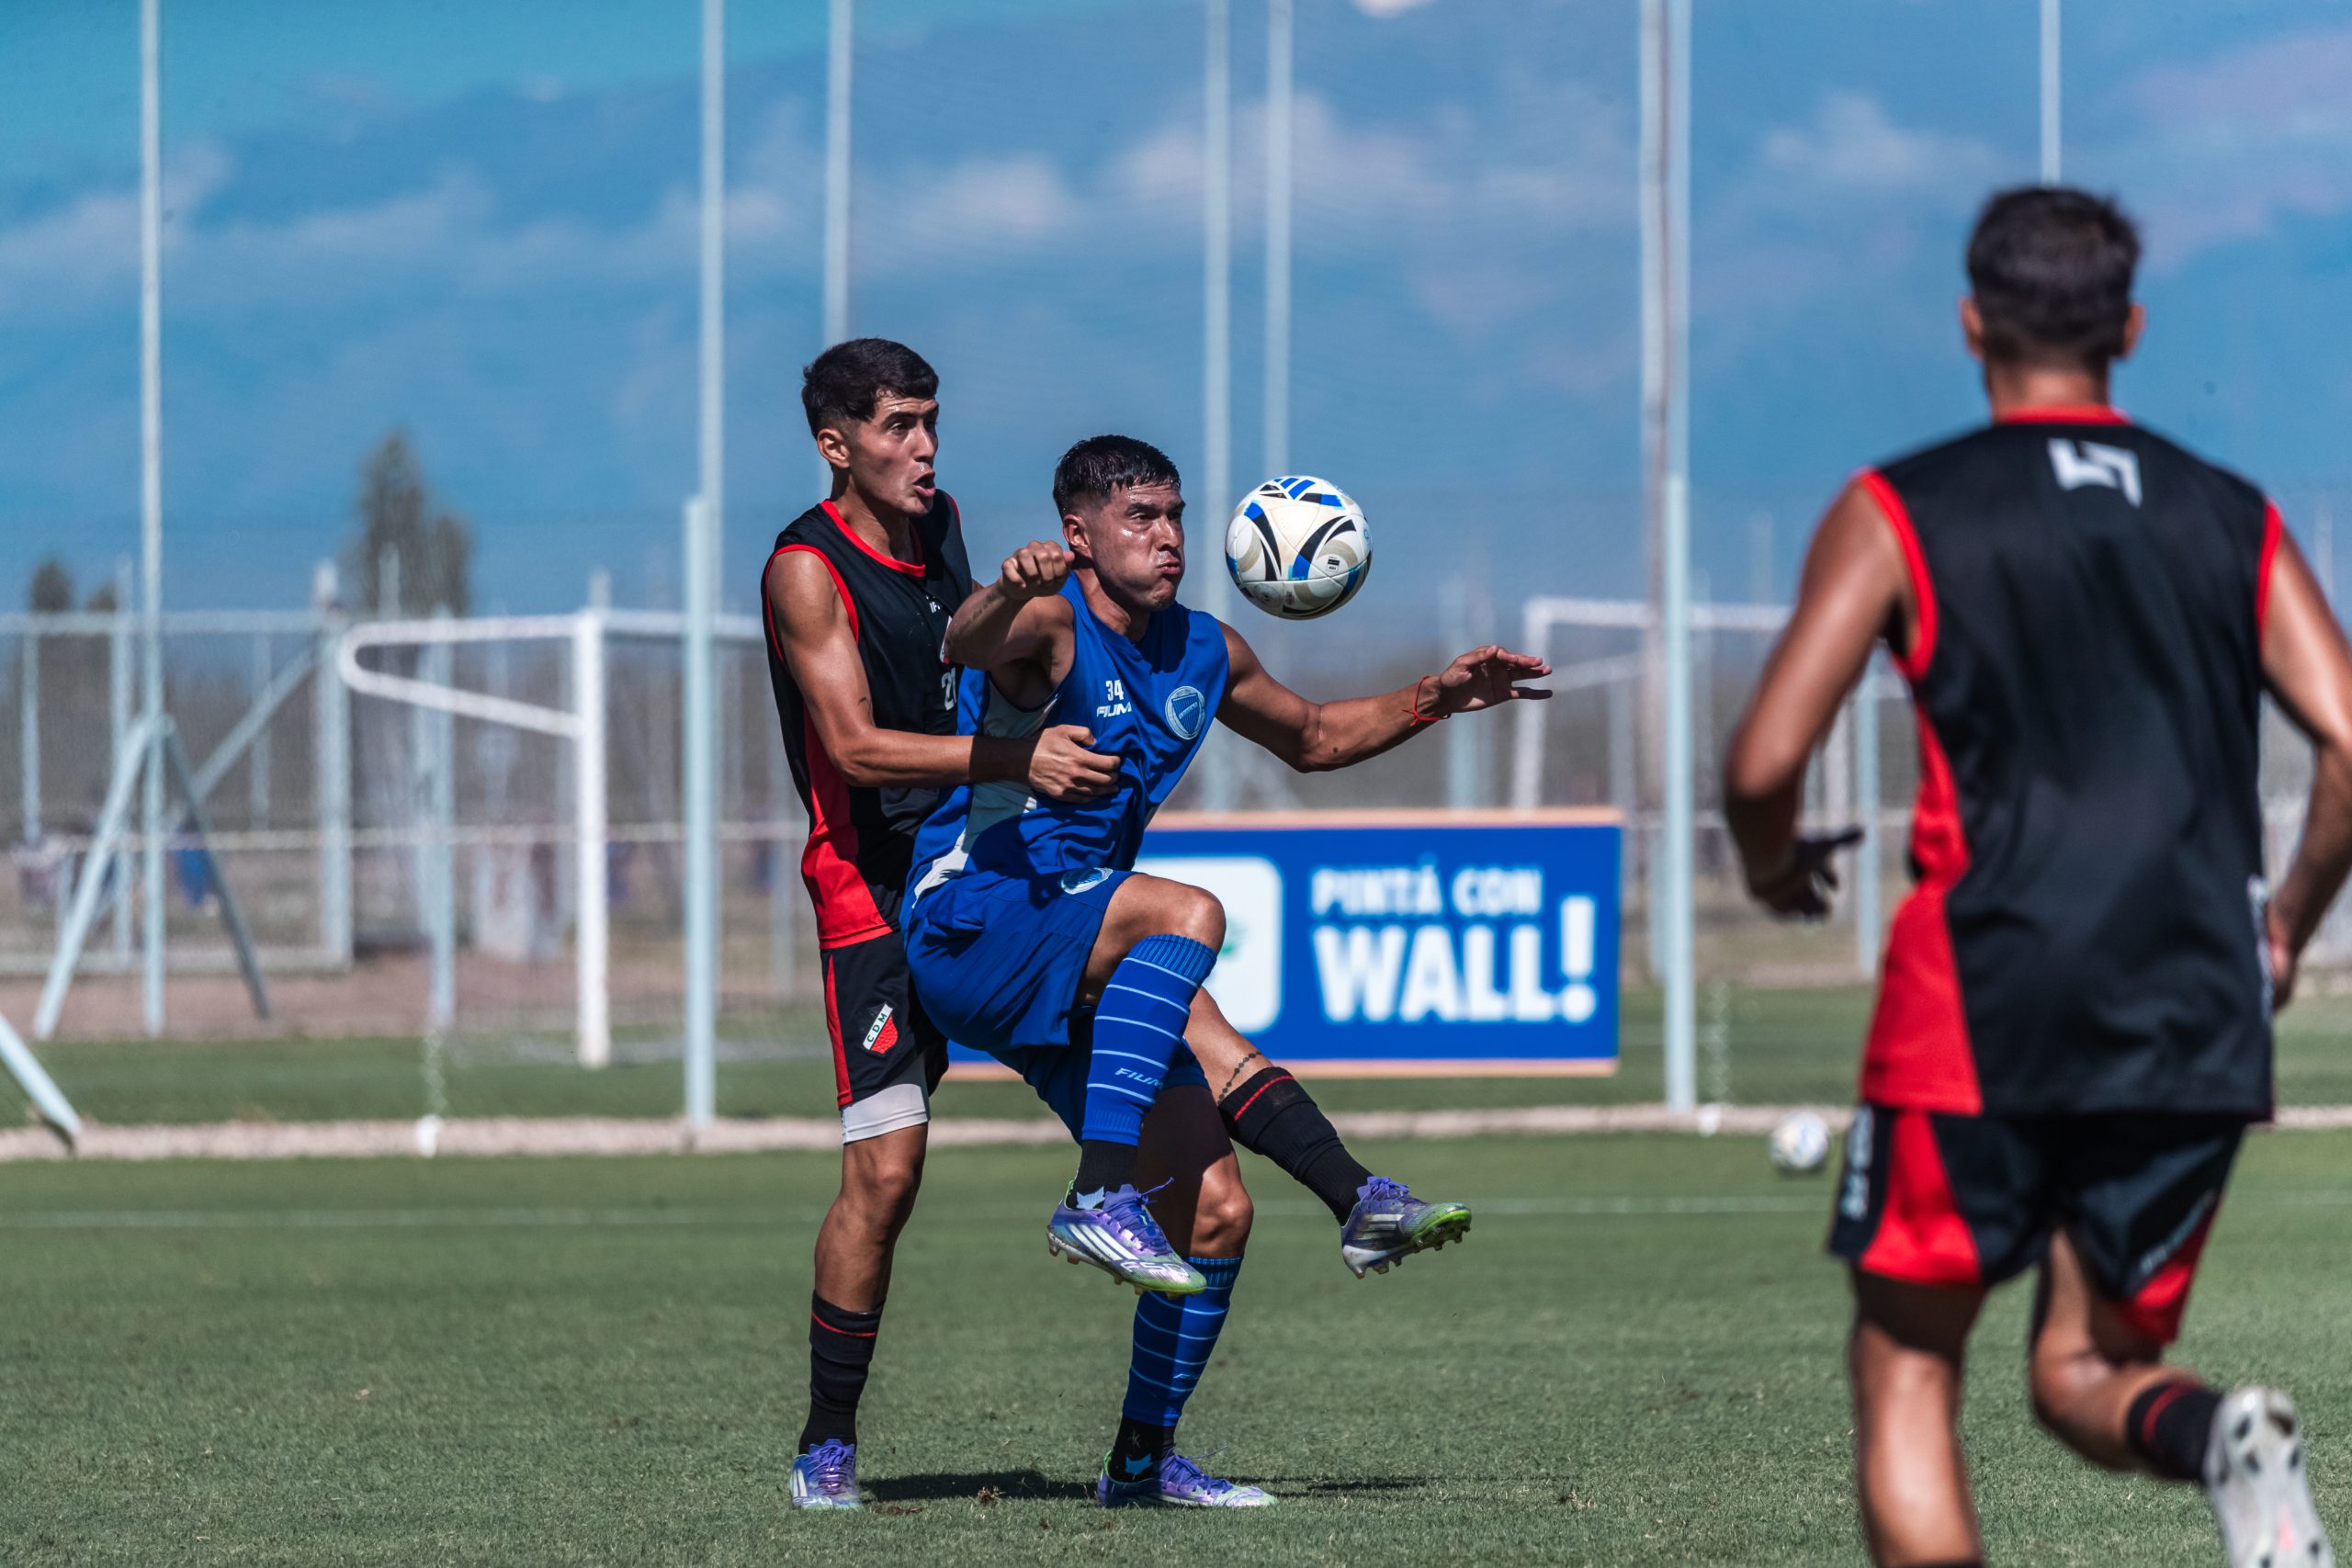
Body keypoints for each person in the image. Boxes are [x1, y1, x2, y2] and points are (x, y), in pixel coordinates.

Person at [1724, 186, 2351, 1568]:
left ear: (1970, 324)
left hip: (1984, 993)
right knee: (2080, 1368)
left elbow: (1766, 762)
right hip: (2193, 998)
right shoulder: (2228, 514)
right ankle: (2216, 1438)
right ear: (2128, 326)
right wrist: (2288, 924)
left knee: (1907, 1363)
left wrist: (1773, 871)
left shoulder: (1902, 506)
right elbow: (2350, 735)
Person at [902, 433, 1550, 1506]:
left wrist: (1439, 693)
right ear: (1079, 535)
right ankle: (1100, 1193)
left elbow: (1314, 736)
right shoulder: (1049, 618)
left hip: (1077, 945)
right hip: (974, 921)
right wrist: (998, 590)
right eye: (1139, 517)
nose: (1167, 536)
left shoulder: (1206, 650)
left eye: (1175, 515)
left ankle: (1147, 1456)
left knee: (1216, 1212)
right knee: (1190, 911)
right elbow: (970, 647)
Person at [763, 338, 1122, 1510]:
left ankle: (1132, 1200)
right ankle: (826, 1444)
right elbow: (859, 750)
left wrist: (1010, 592)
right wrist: (1017, 758)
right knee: (889, 1172)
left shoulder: (940, 519)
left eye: (930, 422)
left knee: (1124, 1000)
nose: (923, 448)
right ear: (836, 445)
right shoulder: (805, 571)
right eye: (897, 427)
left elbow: (965, 641)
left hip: (964, 866)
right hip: (866, 890)